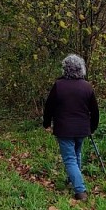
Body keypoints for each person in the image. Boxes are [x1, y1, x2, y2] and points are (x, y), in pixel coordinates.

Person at [43, 54, 99, 201]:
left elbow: (49, 107)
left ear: (65, 69)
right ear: (81, 69)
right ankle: (71, 180)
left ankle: (80, 191)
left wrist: (46, 123)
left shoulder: (59, 85)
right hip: (82, 129)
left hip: (64, 129)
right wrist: (92, 127)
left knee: (69, 158)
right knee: (76, 155)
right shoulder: (87, 86)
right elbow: (95, 111)